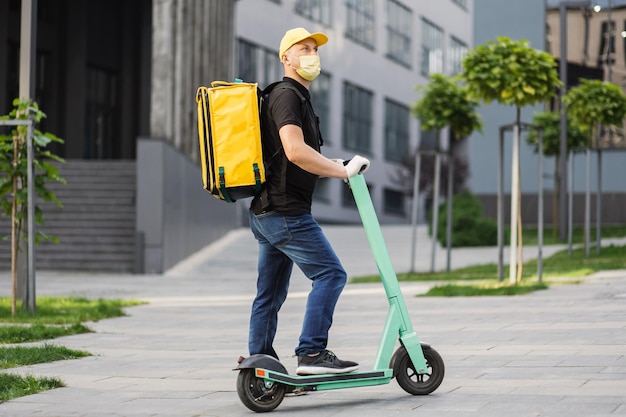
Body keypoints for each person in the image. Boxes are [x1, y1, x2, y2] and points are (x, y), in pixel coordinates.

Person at [248, 27, 370, 376]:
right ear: (286, 57)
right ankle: (312, 353)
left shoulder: (296, 97)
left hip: (267, 210)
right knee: (331, 274)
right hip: (286, 212)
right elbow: (295, 151)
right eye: (303, 48)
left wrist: (338, 165)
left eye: (315, 49)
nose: (311, 54)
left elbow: (297, 156)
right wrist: (341, 172)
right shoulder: (286, 95)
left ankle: (260, 365)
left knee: (269, 294)